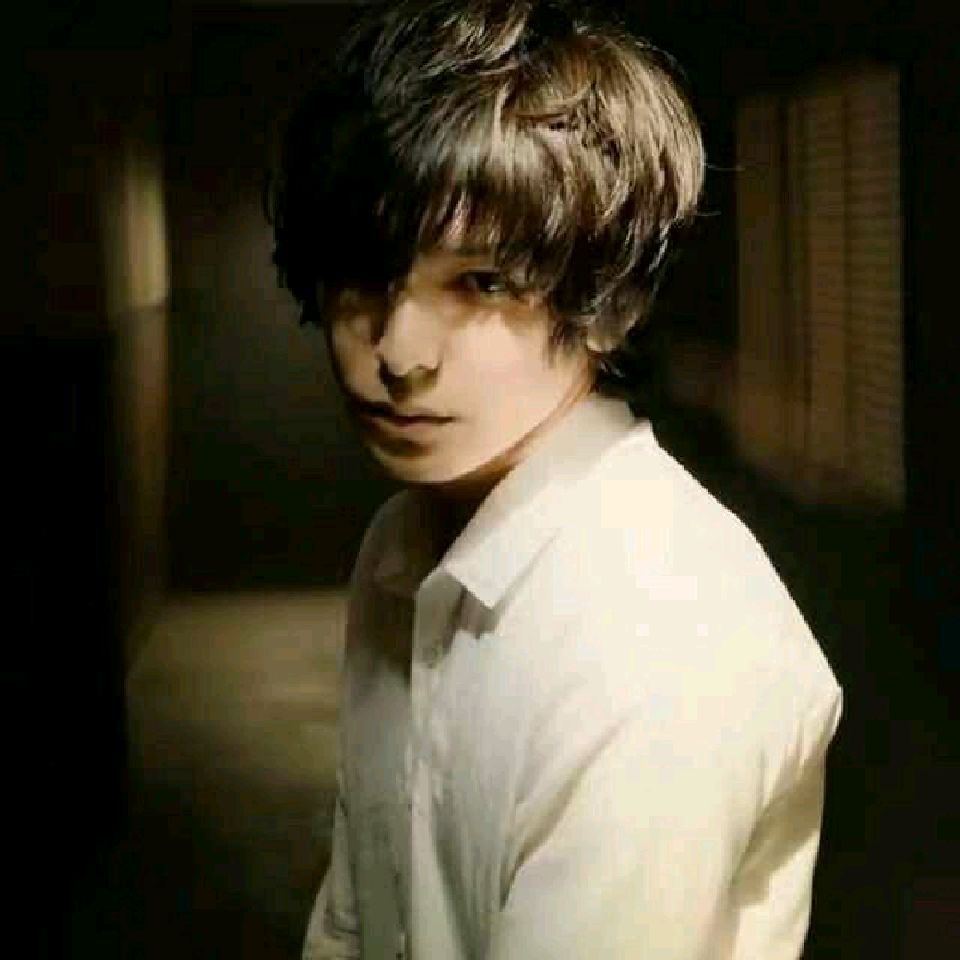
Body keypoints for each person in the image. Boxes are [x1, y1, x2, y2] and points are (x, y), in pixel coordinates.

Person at [269, 1, 843, 957]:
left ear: (610, 303)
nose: (399, 352)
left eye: (482, 283)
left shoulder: (660, 638)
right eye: (366, 275)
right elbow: (356, 920)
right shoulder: (401, 544)